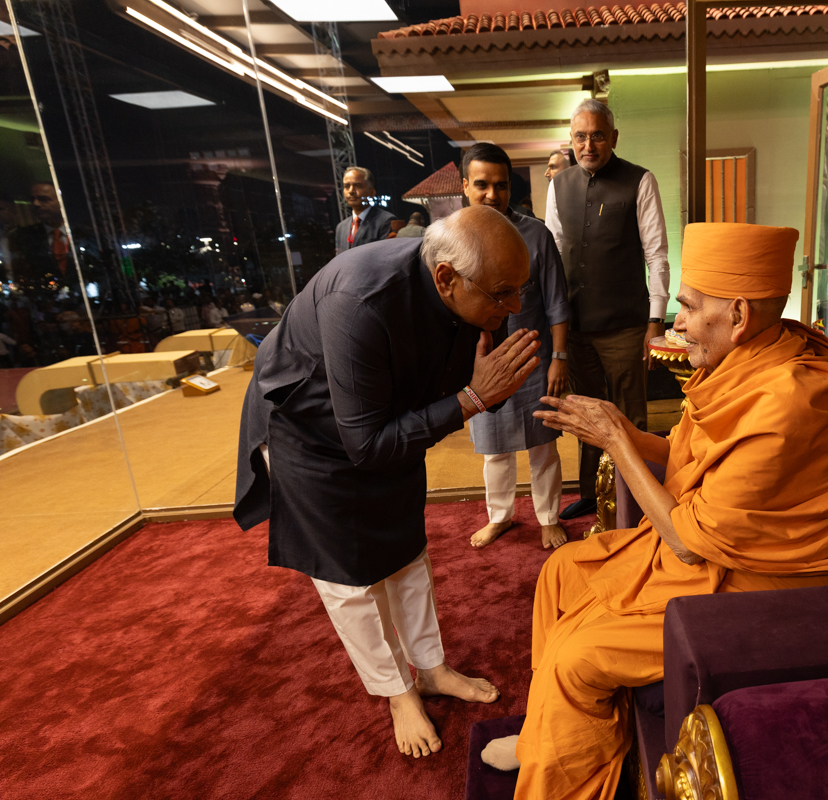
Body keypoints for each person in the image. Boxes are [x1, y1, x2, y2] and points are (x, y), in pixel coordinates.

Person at [480, 223, 828, 799]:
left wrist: (617, 443)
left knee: (578, 656)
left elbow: (689, 543)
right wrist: (622, 429)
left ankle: (559, 769)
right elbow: (684, 453)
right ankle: (551, 738)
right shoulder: (752, 356)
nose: (676, 323)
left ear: (740, 316)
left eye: (689, 308)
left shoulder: (790, 403)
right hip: (715, 542)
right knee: (561, 572)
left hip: (770, 585)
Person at [233, 205, 542, 758]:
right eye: (502, 294)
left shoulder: (458, 290)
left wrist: (468, 390)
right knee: (349, 579)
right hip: (309, 434)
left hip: (383, 421)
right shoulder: (361, 300)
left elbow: (418, 409)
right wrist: (471, 399)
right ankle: (397, 691)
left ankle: (430, 668)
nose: (514, 307)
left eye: (520, 290)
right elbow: (368, 445)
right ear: (446, 278)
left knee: (406, 550)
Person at [545, 99, 670, 520]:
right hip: (576, 327)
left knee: (628, 417)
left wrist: (655, 322)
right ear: (571, 140)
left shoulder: (640, 181)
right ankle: (593, 493)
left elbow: (657, 256)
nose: (588, 144)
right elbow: (554, 255)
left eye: (597, 135)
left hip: (625, 327)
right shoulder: (558, 185)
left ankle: (634, 500)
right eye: (580, 136)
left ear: (613, 137)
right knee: (584, 412)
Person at [459, 143, 570, 552]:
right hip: (483, 364)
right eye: (482, 185)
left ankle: (548, 518)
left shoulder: (535, 234)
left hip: (534, 358)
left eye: (501, 186)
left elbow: (557, 301)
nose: (492, 195)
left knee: (543, 446)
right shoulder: (455, 236)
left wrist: (559, 359)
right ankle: (500, 517)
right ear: (465, 185)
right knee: (494, 451)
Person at [334, 166, 397, 254]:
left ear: (371, 192)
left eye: (357, 186)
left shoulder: (385, 221)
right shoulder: (341, 227)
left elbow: (387, 259)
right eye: (347, 186)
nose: (351, 191)